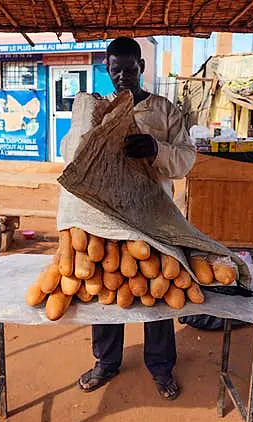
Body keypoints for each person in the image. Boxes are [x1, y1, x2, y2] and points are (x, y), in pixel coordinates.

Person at [75, 37, 196, 399]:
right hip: (109, 214)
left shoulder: (164, 110)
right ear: (107, 70)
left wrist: (156, 149)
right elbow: (74, 153)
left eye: (130, 69)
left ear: (141, 67)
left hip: (155, 214)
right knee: (108, 289)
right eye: (116, 70)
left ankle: (161, 367)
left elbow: (187, 158)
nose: (123, 77)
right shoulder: (100, 108)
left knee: (157, 289)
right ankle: (106, 362)